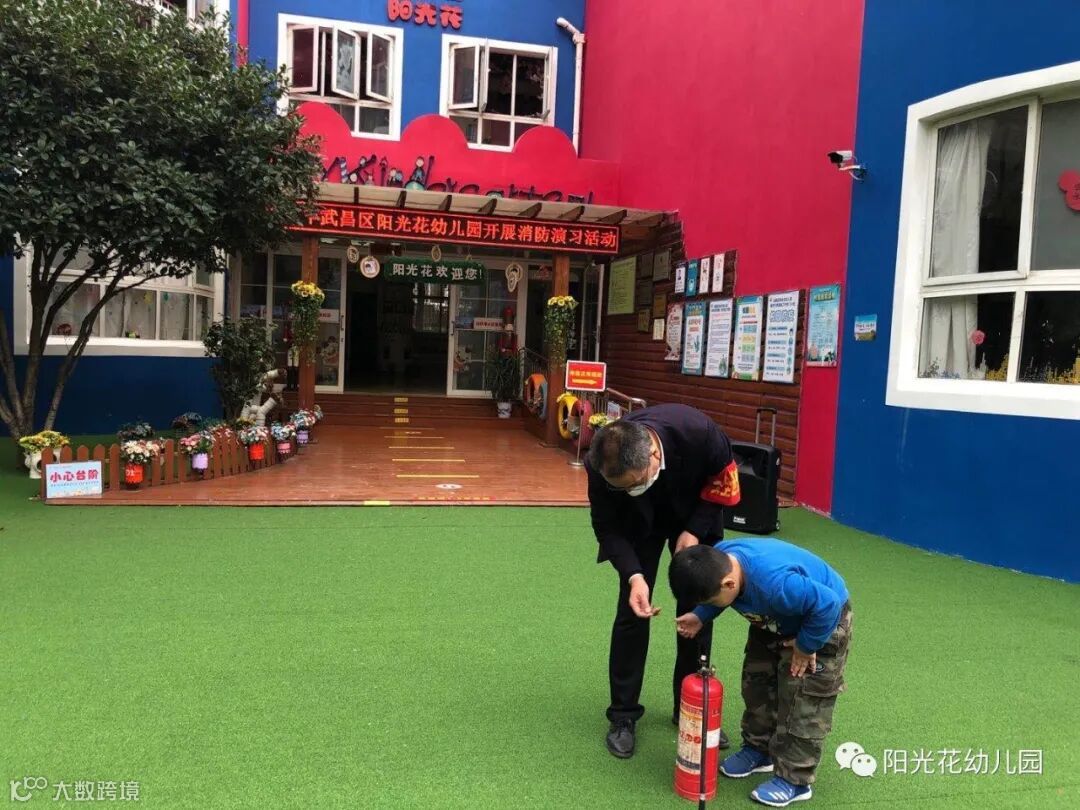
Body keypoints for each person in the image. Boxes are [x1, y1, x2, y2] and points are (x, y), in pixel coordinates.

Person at [585, 403, 742, 758]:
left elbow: (723, 486)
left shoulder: (700, 432)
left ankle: (688, 707)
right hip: (639, 525)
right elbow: (606, 526)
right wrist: (634, 576)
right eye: (623, 488)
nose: (632, 489)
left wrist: (694, 530)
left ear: (653, 455)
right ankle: (623, 715)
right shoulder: (601, 461)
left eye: (636, 483)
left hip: (694, 512)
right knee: (632, 611)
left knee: (698, 609)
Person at [669, 540, 853, 808]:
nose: (708, 604)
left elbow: (827, 603)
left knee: (803, 700)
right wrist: (701, 615)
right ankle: (759, 749)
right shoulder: (719, 560)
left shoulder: (777, 584)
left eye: (709, 601)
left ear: (729, 584)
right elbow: (716, 591)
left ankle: (795, 779)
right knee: (757, 683)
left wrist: (806, 645)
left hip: (821, 619)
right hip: (772, 619)